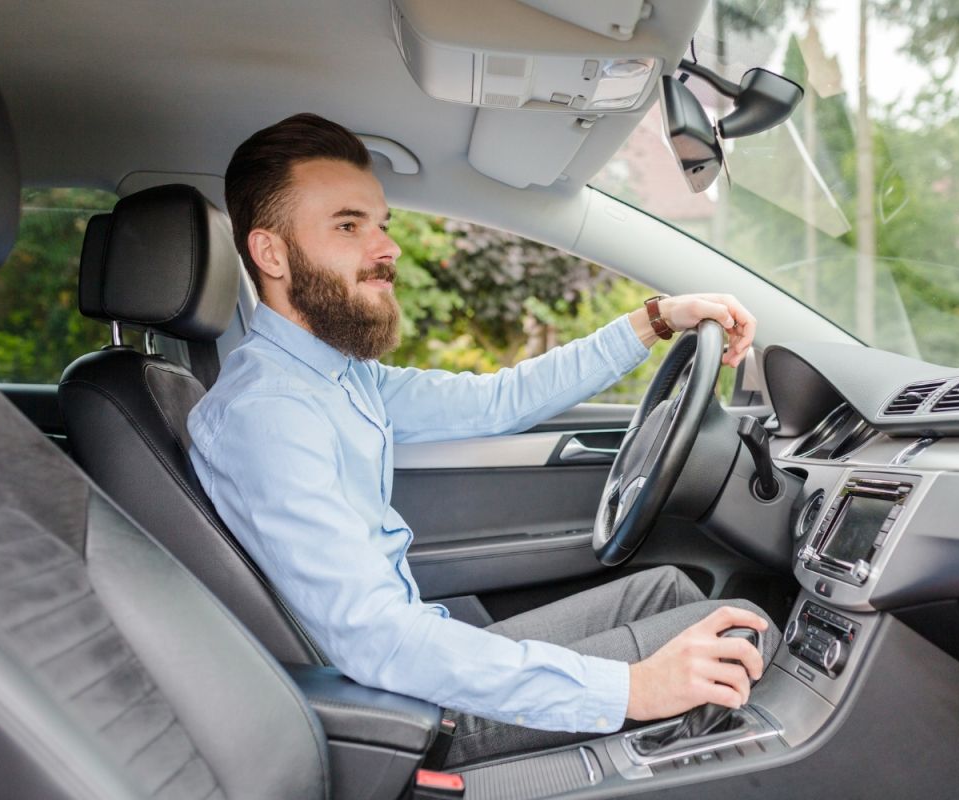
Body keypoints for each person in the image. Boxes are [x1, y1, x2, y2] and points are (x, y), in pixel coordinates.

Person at [188, 113, 780, 766]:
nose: (386, 249)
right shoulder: (269, 414)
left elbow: (501, 400)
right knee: (743, 641)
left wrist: (656, 319)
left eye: (380, 225)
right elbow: (378, 642)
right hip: (399, 713)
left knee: (666, 590)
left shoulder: (333, 375)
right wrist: (633, 688)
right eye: (348, 226)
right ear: (272, 254)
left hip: (415, 664)